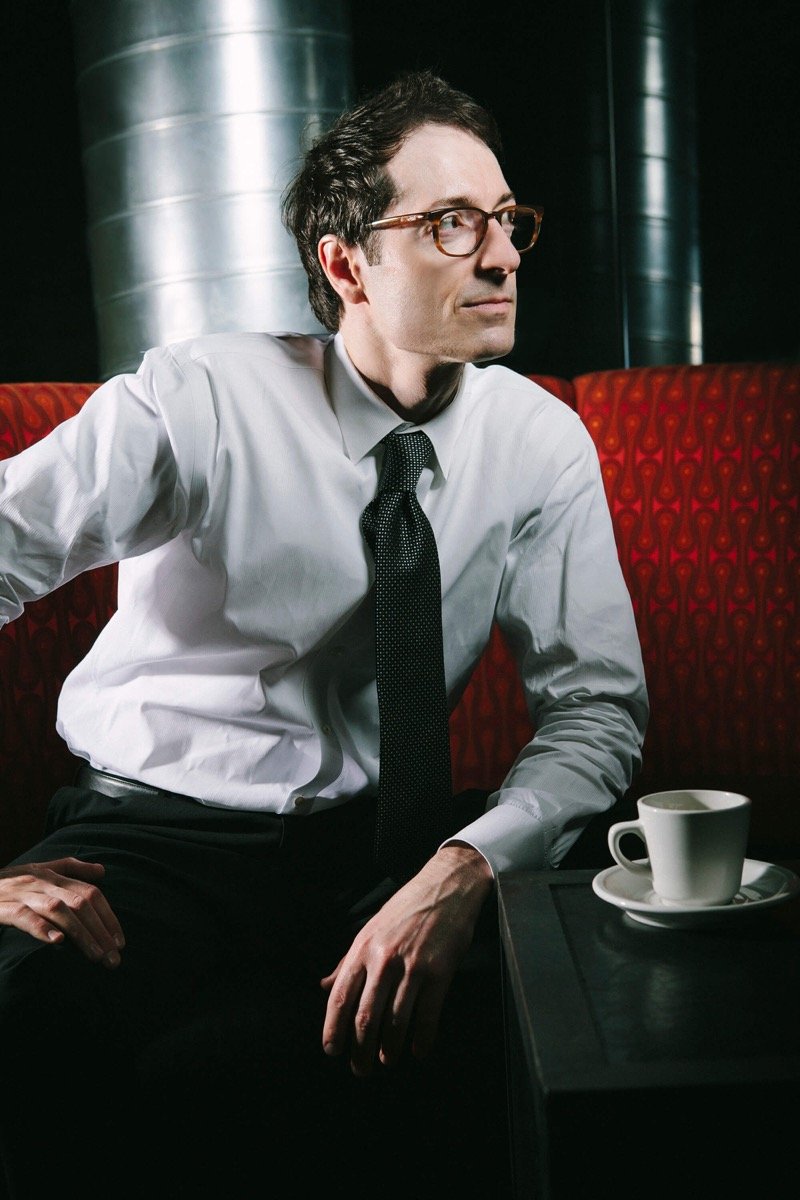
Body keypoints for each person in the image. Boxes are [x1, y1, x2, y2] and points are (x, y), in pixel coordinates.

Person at [0, 70, 647, 1198]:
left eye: (506, 220)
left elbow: (594, 710)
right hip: (155, 840)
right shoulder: (198, 400)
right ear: (346, 265)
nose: (502, 256)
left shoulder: (540, 442)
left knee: (598, 985)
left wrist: (462, 870)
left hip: (385, 843)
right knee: (20, 1009)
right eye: (452, 224)